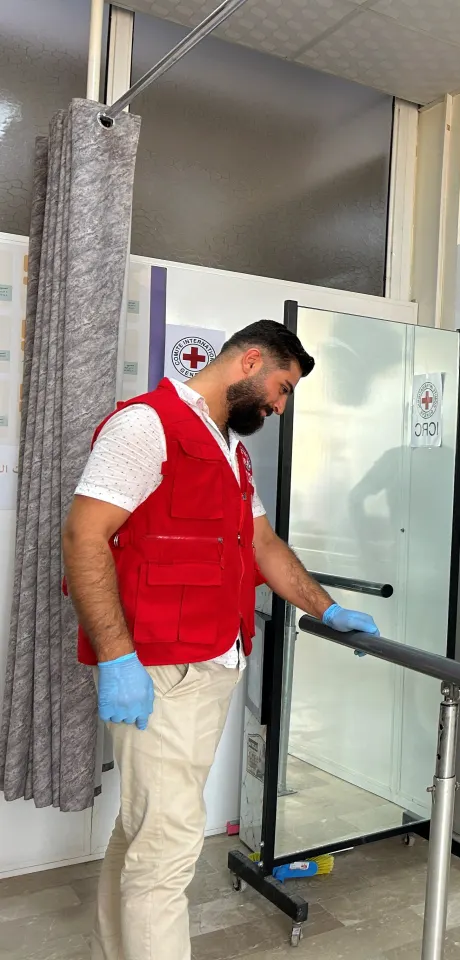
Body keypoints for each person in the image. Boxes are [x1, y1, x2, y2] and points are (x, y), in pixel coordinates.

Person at [62, 320, 381, 960]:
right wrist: (119, 660)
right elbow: (84, 537)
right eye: (282, 388)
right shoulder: (144, 426)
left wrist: (327, 607)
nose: (280, 406)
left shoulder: (229, 449)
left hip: (210, 667)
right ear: (251, 361)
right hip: (160, 673)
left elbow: (261, 544)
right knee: (169, 852)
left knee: (143, 831)